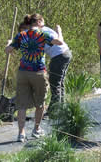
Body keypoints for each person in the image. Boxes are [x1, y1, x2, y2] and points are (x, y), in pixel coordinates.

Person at [5, 14, 65, 142]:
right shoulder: (43, 34)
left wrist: (9, 43)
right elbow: (59, 42)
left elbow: (8, 50)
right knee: (40, 103)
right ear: (38, 22)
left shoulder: (21, 35)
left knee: (22, 104)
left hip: (23, 72)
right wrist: (59, 32)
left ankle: (21, 133)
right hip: (38, 71)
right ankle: (36, 129)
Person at [42, 24, 72, 113]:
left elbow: (59, 41)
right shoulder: (45, 29)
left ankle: (54, 110)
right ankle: (61, 108)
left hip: (59, 55)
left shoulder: (40, 33)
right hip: (65, 53)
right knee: (59, 82)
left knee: (55, 83)